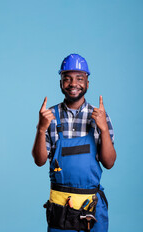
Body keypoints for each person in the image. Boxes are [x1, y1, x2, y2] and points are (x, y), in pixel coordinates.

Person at [32, 54, 116, 232]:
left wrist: (103, 129)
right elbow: (39, 161)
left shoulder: (99, 116)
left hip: (91, 209)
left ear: (87, 82)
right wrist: (41, 129)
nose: (73, 84)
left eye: (79, 78)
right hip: (61, 211)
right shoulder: (49, 117)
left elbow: (109, 163)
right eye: (67, 78)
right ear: (61, 82)